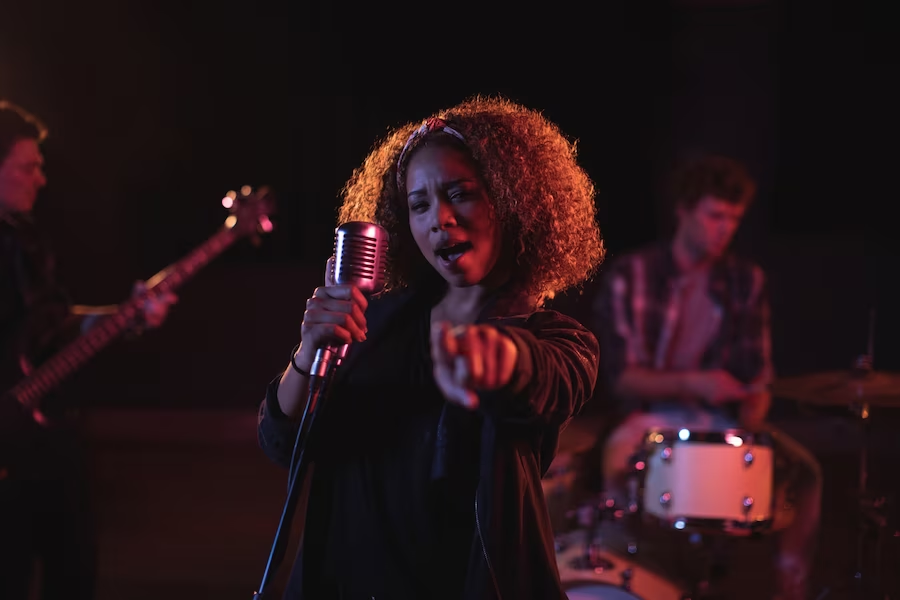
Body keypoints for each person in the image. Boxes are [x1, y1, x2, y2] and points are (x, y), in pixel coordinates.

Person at [256, 95, 605, 599]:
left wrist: (499, 359)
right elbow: (281, 441)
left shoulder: (557, 339)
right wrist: (310, 351)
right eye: (418, 205)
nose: (439, 218)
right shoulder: (372, 321)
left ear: (513, 199)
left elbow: (548, 380)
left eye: (459, 193)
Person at [589, 154, 822, 600]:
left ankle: (790, 585)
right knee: (616, 457)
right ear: (684, 210)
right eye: (715, 215)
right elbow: (623, 380)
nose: (725, 228)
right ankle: (625, 576)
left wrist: (755, 407)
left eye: (734, 219)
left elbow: (757, 373)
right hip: (650, 417)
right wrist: (697, 382)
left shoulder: (744, 281)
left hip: (719, 419)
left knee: (805, 472)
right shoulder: (633, 275)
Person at [0, 99, 177, 599]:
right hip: (8, 451)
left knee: (74, 569)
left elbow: (53, 326)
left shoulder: (27, 239)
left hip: (48, 437)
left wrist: (125, 318)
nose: (41, 179)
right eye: (27, 168)